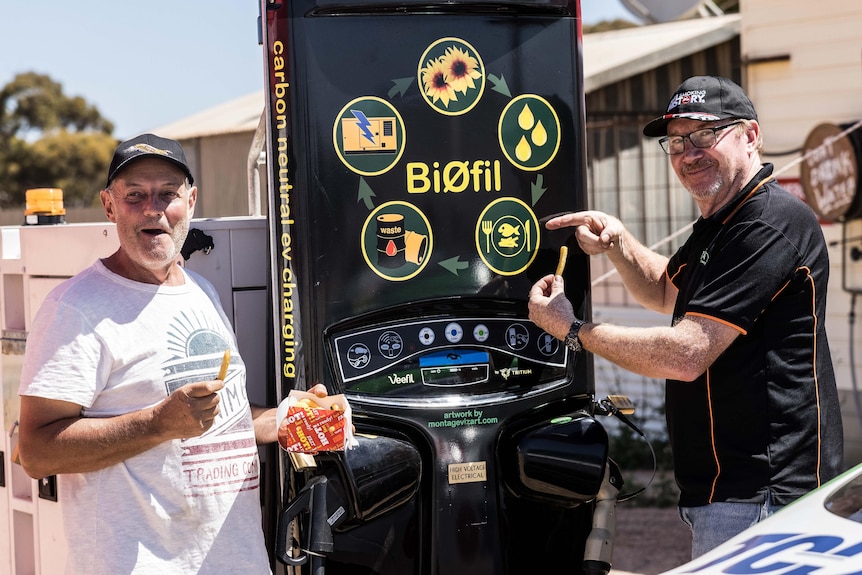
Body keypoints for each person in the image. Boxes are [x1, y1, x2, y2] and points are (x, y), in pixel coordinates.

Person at [528, 76, 844, 558]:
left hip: (764, 496)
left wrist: (572, 330)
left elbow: (686, 354)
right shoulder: (721, 223)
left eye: (703, 134)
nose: (687, 153)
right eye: (675, 141)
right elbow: (663, 288)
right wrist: (617, 240)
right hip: (729, 493)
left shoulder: (768, 224)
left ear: (751, 136)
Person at [16, 133, 326, 574]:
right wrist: (157, 424)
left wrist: (286, 420)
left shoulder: (202, 292)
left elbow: (219, 416)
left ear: (191, 201)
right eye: (135, 196)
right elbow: (37, 451)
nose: (152, 209)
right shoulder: (76, 307)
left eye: (167, 194)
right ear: (109, 206)